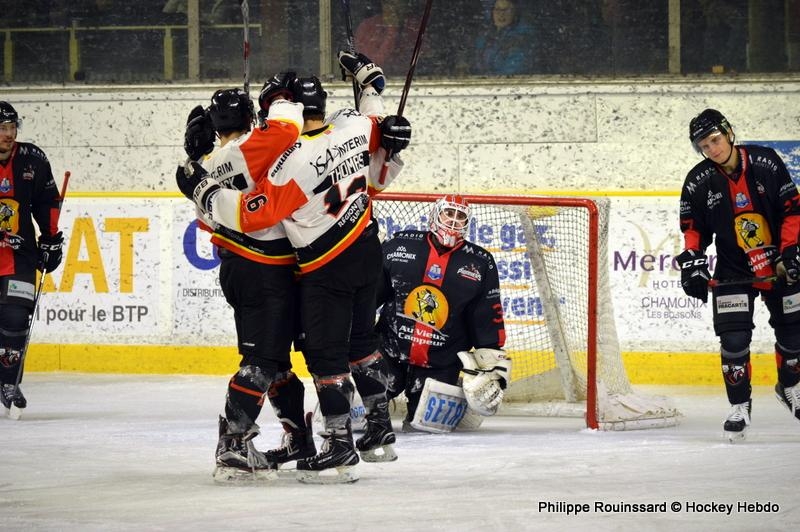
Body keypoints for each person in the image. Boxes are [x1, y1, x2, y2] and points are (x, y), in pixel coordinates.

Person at [177, 53, 412, 483]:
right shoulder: (348, 127)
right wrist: (372, 87)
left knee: (297, 357)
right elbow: (377, 154)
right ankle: (374, 430)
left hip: (306, 269)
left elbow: (243, 212)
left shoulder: (280, 161)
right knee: (348, 343)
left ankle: (315, 442)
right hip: (353, 250)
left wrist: (199, 180)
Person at [176, 79, 313, 481]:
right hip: (264, 272)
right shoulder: (256, 147)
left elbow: (205, 218)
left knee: (277, 363)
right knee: (261, 362)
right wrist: (280, 96)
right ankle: (232, 446)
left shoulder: (212, 163)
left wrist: (195, 155)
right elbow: (290, 125)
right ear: (251, 116)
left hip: (241, 270)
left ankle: (297, 438)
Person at [678, 108, 800, 442]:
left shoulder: (767, 162)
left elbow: (792, 210)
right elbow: (693, 229)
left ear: (728, 133)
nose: (712, 149)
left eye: (715, 140)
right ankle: (739, 405)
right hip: (732, 269)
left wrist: (790, 252)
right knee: (733, 342)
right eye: (704, 145)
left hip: (777, 262)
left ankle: (788, 387)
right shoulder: (697, 181)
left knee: (794, 335)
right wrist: (693, 261)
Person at [376, 194, 510, 433]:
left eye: (460, 216)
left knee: (427, 431)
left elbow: (486, 316)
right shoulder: (399, 245)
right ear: (435, 214)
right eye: (449, 213)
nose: (453, 221)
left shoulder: (480, 262)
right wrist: (350, 333)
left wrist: (492, 369)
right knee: (357, 413)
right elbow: (370, 295)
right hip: (389, 349)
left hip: (441, 360)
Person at [0, 101, 64, 417]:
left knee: (14, 320)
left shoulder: (32, 159)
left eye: (12, 127)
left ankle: (10, 382)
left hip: (20, 254)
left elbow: (48, 201)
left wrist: (51, 239)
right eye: (2, 128)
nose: (8, 134)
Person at [472, 0, 535, 75]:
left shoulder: (523, 38)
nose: (501, 14)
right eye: (497, 9)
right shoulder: (483, 38)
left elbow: (513, 70)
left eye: (507, 10)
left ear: (515, 12)